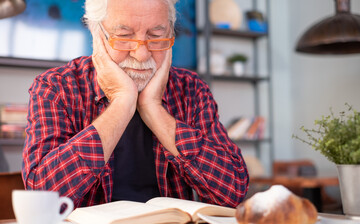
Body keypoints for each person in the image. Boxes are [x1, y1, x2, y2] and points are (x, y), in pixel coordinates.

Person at [22, 0, 249, 208]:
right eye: (124, 36)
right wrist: (122, 102)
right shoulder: (56, 87)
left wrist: (154, 109)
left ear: (170, 34)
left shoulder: (191, 89)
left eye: (156, 36)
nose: (141, 54)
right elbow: (43, 198)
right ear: (96, 35)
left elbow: (233, 191)